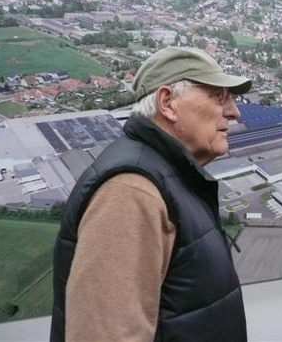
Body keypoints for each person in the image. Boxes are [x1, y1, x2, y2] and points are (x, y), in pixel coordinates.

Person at [50, 47, 251, 342]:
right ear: (167, 102)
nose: (235, 111)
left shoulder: (168, 176)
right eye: (219, 96)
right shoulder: (132, 191)